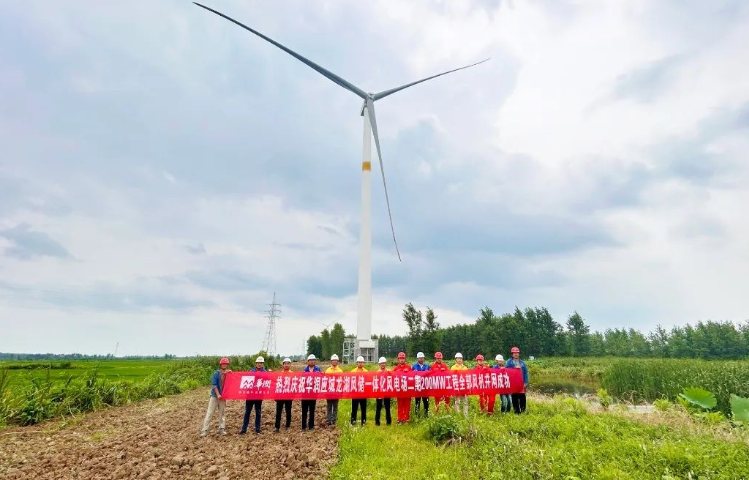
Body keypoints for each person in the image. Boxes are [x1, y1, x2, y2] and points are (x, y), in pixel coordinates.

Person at [200, 357, 230, 437]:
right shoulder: (216, 373)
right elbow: (214, 385)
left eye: (226, 364)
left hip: (223, 397)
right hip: (214, 396)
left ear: (227, 365)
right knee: (210, 413)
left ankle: (221, 429)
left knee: (222, 413)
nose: (224, 365)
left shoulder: (228, 374)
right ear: (220, 364)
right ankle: (204, 430)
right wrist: (218, 395)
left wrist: (230, 374)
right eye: (223, 363)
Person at [240, 356, 266, 434]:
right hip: (250, 395)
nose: (259, 364)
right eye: (258, 363)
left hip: (259, 395)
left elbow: (267, 383)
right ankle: (244, 429)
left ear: (263, 364)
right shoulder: (251, 372)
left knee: (258, 412)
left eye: (261, 363)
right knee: (247, 411)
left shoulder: (265, 373)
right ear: (256, 364)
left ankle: (257, 429)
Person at [505, 347, 529, 414]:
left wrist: (526, 382)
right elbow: (506, 371)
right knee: (514, 397)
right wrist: (514, 369)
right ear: (512, 354)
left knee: (522, 397)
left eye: (517, 353)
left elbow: (526, 372)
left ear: (519, 354)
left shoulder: (522, 363)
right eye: (514, 353)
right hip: (513, 383)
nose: (516, 354)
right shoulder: (509, 362)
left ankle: (523, 410)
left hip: (521, 382)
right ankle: (516, 411)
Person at [302, 354, 321, 430]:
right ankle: (303, 426)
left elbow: (321, 378)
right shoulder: (305, 369)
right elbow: (302, 380)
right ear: (308, 361)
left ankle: (311, 426)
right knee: (304, 410)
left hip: (313, 392)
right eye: (311, 360)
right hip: (305, 393)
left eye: (313, 360)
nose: (312, 361)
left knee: (312, 410)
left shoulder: (317, 369)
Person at [274, 358, 293, 432]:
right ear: (283, 365)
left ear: (290, 365)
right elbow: (277, 385)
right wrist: (275, 395)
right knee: (278, 411)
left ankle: (288, 425)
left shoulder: (292, 374)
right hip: (280, 396)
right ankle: (277, 427)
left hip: (289, 395)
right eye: (285, 363)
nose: (286, 365)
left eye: (288, 363)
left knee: (288, 411)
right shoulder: (280, 374)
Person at [392, 352, 412, 423]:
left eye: (403, 358)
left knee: (407, 405)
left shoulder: (409, 367)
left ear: (405, 359)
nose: (402, 360)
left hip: (407, 390)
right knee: (400, 405)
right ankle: (400, 419)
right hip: (399, 390)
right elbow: (393, 379)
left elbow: (412, 378)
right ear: (398, 359)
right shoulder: (395, 369)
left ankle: (406, 419)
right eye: (400, 358)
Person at [325, 354, 343, 426]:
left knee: (335, 406)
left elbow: (342, 382)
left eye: (336, 361)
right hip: (329, 392)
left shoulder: (340, 371)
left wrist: (341, 392)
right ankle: (329, 420)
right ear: (331, 362)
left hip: (336, 392)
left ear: (337, 361)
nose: (334, 362)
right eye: (333, 361)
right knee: (329, 406)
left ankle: (334, 420)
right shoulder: (328, 370)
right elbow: (325, 381)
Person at [350, 356, 368, 426]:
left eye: (361, 362)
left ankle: (363, 421)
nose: (360, 363)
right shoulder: (353, 371)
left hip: (363, 393)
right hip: (355, 393)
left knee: (363, 408)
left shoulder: (366, 372)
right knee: (354, 407)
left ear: (363, 363)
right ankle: (353, 420)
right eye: (359, 362)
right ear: (357, 363)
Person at [412, 352, 431, 417]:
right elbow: (411, 376)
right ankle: (416, 414)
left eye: (422, 358)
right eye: (420, 358)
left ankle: (426, 414)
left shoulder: (427, 366)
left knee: (426, 401)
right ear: (417, 358)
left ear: (424, 358)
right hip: (417, 386)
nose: (421, 359)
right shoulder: (414, 366)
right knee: (417, 401)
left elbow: (431, 374)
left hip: (425, 386)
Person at [374, 357, 392, 426]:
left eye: (384, 363)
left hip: (387, 391)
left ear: (386, 364)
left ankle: (388, 422)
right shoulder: (377, 372)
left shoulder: (389, 372)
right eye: (381, 363)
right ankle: (377, 422)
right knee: (378, 407)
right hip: (379, 392)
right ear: (379, 364)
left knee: (387, 407)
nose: (383, 364)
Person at [451, 352, 469, 417]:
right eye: (458, 358)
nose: (459, 360)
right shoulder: (453, 367)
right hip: (457, 386)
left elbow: (468, 377)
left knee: (465, 401)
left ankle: (466, 415)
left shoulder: (465, 368)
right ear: (456, 359)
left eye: (460, 358)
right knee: (457, 401)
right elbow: (451, 377)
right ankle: (458, 414)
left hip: (464, 387)